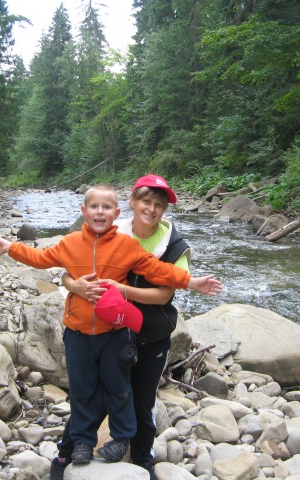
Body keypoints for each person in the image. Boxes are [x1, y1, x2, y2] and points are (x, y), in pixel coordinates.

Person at [0, 184, 221, 475]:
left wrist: (192, 281)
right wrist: (11, 248)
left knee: (119, 388)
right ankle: (81, 443)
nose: (100, 212)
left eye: (106, 207)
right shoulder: (71, 242)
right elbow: (42, 258)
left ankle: (123, 441)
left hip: (116, 332)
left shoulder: (128, 246)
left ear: (116, 212)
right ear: (83, 211)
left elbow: (159, 271)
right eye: (94, 207)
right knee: (83, 391)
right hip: (78, 333)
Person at [53, 175, 196, 480]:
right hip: (112, 331)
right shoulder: (108, 230)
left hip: (150, 334)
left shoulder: (174, 245)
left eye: (159, 204)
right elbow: (70, 271)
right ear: (131, 202)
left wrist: (120, 289)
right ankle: (67, 455)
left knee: (141, 402)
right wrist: (73, 285)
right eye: (146, 201)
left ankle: (142, 462)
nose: (152, 209)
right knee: (93, 393)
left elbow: (163, 294)